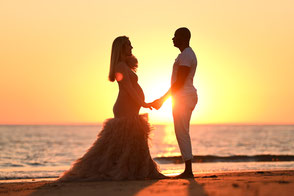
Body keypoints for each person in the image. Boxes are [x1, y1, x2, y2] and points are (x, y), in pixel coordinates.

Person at [58, 36, 165, 181]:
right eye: (128, 45)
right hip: (125, 108)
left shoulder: (125, 65)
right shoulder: (120, 66)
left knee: (135, 140)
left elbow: (132, 87)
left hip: (132, 107)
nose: (131, 48)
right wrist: (144, 103)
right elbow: (128, 88)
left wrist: (142, 102)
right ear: (121, 48)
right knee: (121, 141)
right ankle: (126, 171)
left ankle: (145, 170)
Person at [152, 27, 198, 178]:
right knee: (182, 131)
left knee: (181, 132)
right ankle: (188, 169)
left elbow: (179, 82)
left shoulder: (186, 55)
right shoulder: (185, 55)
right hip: (184, 96)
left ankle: (188, 170)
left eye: (175, 36)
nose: (173, 39)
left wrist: (162, 100)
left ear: (183, 38)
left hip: (183, 97)